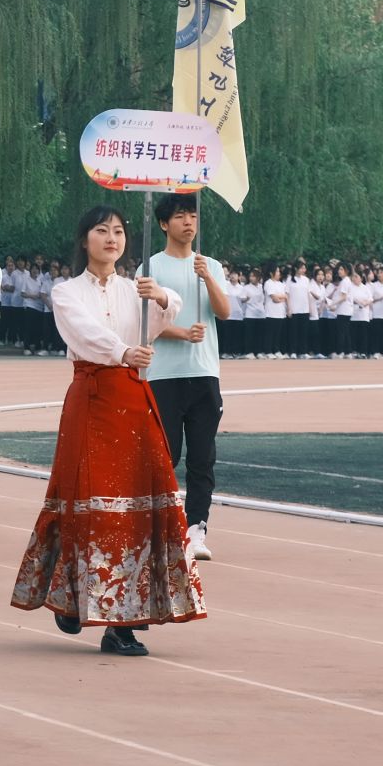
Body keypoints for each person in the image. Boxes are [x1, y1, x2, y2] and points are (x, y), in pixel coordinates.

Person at [11, 205, 206, 655]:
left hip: (134, 401)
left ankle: (123, 624)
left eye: (118, 231)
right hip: (92, 399)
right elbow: (83, 333)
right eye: (102, 230)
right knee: (86, 502)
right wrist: (123, 352)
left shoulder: (135, 289)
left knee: (138, 507)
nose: (112, 238)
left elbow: (158, 323)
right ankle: (72, 594)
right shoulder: (66, 292)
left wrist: (161, 298)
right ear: (85, 239)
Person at [143, 193, 231, 562]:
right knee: (165, 455)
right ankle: (162, 527)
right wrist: (180, 333)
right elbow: (142, 322)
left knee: (202, 456)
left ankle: (196, 529)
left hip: (204, 372)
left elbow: (223, 312)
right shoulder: (151, 266)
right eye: (180, 216)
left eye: (192, 216)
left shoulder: (210, 265)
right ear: (164, 224)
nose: (188, 222)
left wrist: (207, 276)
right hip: (164, 375)